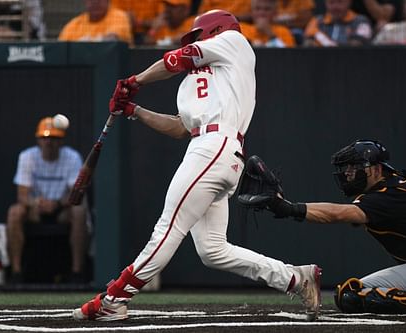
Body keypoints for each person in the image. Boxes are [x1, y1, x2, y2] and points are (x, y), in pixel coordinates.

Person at [72, 9, 322, 322]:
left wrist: (135, 80)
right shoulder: (197, 82)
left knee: (168, 227)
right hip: (211, 149)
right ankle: (295, 278)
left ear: (214, 30)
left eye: (198, 36)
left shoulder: (234, 41)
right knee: (213, 249)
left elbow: (176, 59)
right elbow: (180, 127)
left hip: (215, 148)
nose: (195, 41)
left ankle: (115, 298)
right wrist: (134, 109)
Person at [237, 139, 406, 315]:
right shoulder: (401, 184)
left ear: (375, 169)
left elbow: (339, 213)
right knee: (352, 293)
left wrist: (289, 208)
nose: (348, 173)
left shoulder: (387, 195)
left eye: (354, 167)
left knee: (350, 295)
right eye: (346, 167)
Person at [6, 116, 88, 284]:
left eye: (54, 138)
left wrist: (56, 204)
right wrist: (37, 203)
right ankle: (16, 273)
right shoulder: (27, 157)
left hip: (62, 210)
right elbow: (22, 195)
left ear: (61, 141)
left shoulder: (72, 157)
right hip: (35, 210)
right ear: (38, 140)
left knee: (79, 211)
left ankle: (77, 273)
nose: (49, 143)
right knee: (15, 212)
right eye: (45, 138)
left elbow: (76, 193)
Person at [58, 0, 133, 44]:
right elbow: (61, 47)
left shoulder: (119, 16)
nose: (95, 2)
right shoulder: (74, 24)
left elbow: (113, 39)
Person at [304, 0, 373, 47]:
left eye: (340, 2)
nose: (335, 7)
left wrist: (322, 42)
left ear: (349, 2)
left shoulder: (361, 21)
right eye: (331, 2)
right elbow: (309, 42)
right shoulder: (317, 21)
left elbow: (357, 45)